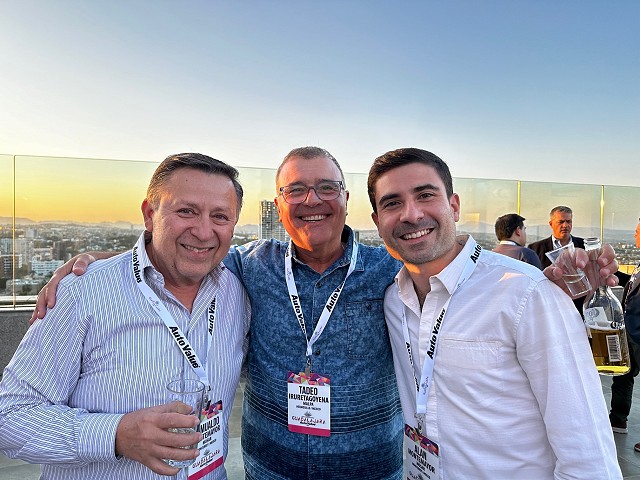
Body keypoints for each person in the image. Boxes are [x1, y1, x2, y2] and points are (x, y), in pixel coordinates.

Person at [29, 146, 621, 479]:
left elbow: (461, 274)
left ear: (347, 202)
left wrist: (547, 281)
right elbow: (181, 255)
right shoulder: (248, 267)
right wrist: (98, 263)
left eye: (327, 188)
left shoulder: (391, 271)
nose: (312, 200)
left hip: (375, 472)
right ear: (278, 203)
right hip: (270, 469)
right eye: (296, 190)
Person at [366, 148, 621, 479]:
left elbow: (588, 454)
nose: (411, 214)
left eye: (425, 195)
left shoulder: (526, 293)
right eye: (392, 203)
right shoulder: (393, 300)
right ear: (377, 221)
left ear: (454, 206)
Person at [0, 153, 251, 480]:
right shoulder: (82, 293)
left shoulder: (238, 292)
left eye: (220, 216)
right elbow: (10, 416)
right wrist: (115, 435)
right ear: (150, 214)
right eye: (186, 211)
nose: (204, 232)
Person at [609, 218, 640, 440]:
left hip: (637, 331)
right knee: (623, 375)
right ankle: (618, 419)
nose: (635, 235)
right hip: (630, 331)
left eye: (638, 231)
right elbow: (633, 283)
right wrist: (614, 276)